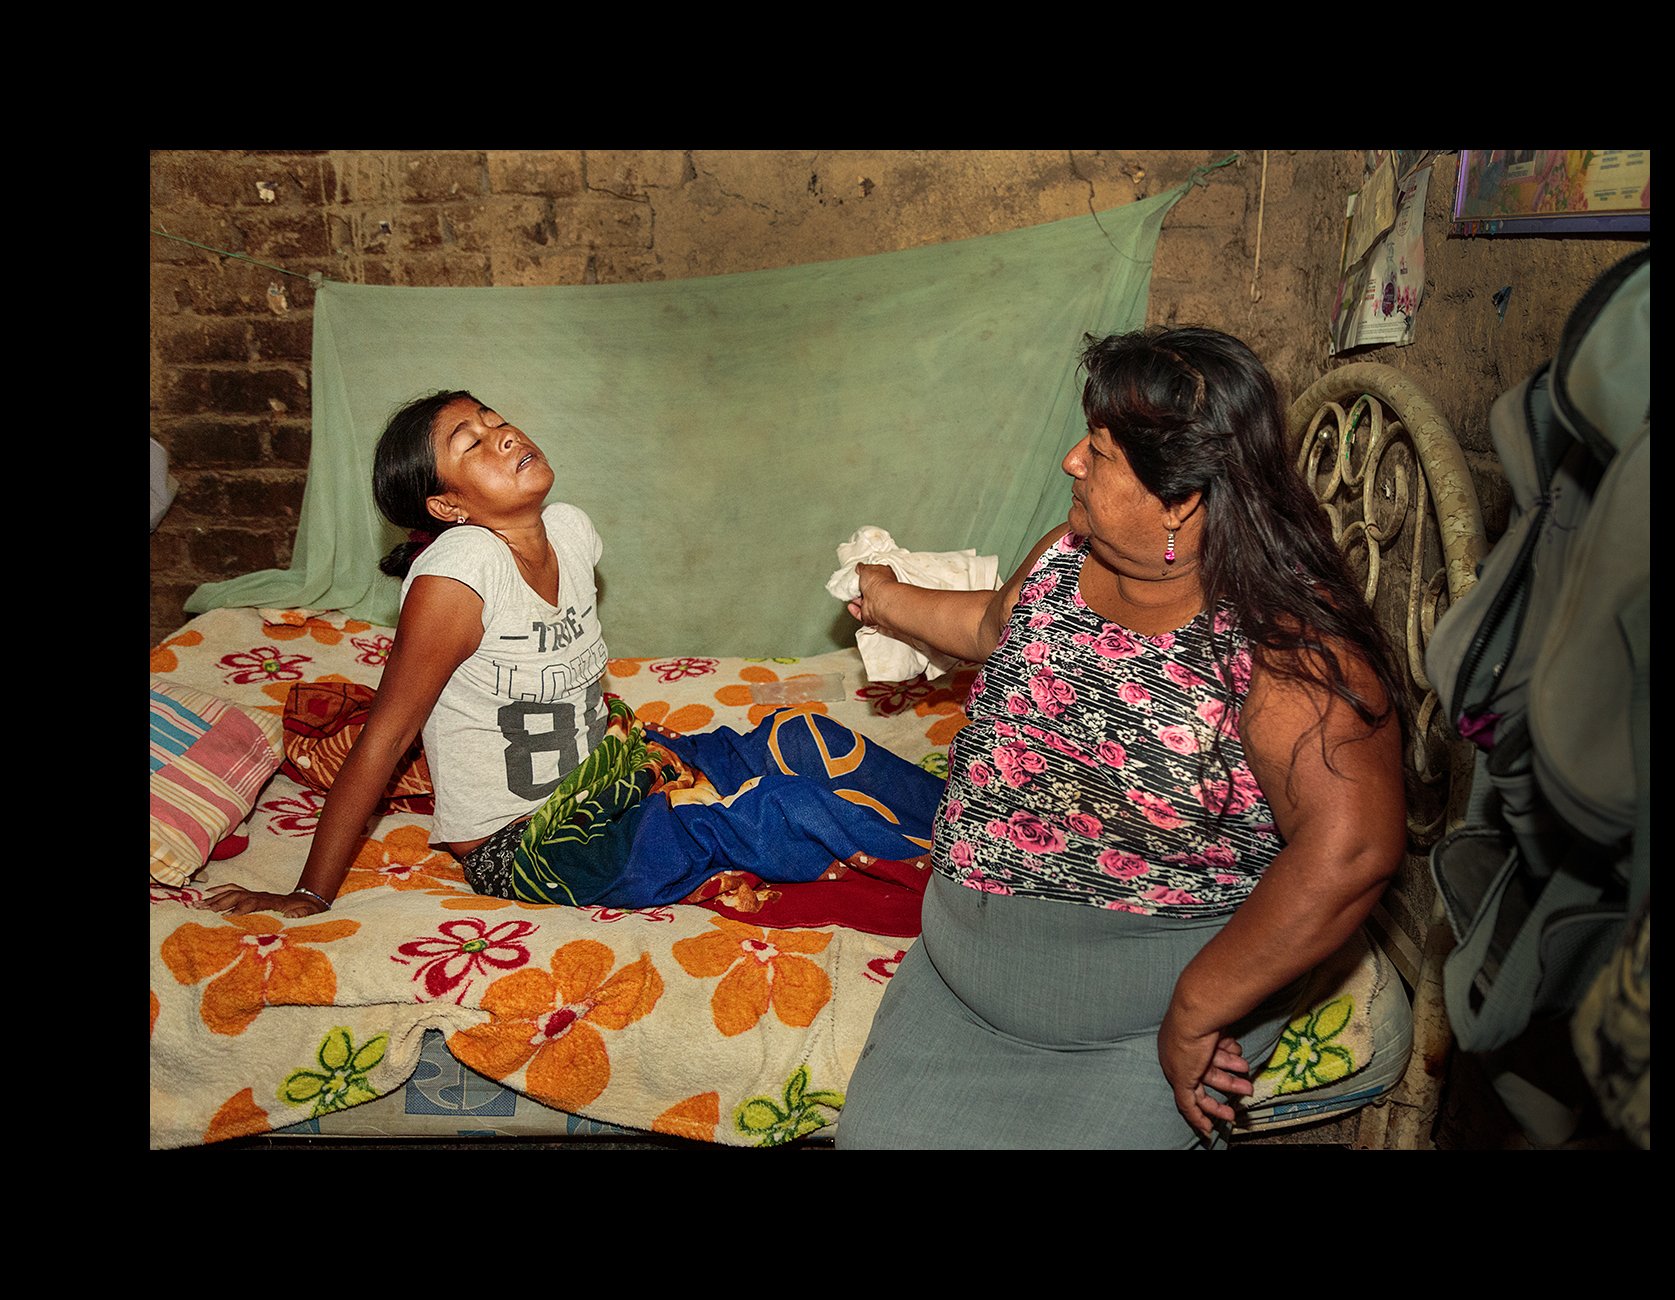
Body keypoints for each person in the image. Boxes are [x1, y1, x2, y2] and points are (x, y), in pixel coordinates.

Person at [832, 326, 1408, 1149]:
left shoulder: (1286, 650)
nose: (1071, 460)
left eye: (1098, 452)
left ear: (1181, 500)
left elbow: (1350, 851)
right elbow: (994, 624)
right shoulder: (1071, 556)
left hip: (1138, 1027)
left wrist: (1198, 1009)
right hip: (957, 991)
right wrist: (886, 599)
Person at [200, 391, 942, 920]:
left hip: (606, 771)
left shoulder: (572, 530)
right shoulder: (455, 580)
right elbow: (386, 739)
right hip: (528, 842)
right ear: (447, 505)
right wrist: (310, 893)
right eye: (473, 443)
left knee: (802, 734)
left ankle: (975, 821)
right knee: (782, 809)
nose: (505, 436)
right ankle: (978, 884)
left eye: (498, 422)